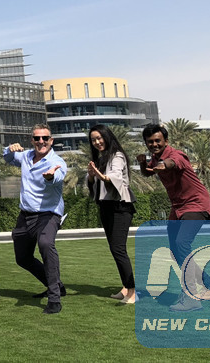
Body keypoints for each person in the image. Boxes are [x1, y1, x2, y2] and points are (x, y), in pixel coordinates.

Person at [137, 123, 210, 312]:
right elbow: (148, 172)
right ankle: (206, 281)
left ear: (166, 141)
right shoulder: (155, 158)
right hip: (178, 208)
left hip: (195, 204)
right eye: (150, 142)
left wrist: (161, 166)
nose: (154, 144)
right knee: (175, 250)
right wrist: (143, 163)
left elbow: (171, 163)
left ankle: (192, 299)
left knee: (182, 243)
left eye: (157, 140)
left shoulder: (177, 155)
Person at [3, 123, 67, 315]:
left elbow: (58, 176)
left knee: (46, 244)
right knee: (22, 258)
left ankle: (54, 298)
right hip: (26, 215)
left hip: (49, 214)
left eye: (45, 138)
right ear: (32, 140)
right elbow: (7, 158)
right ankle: (56, 285)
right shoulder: (26, 156)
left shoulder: (56, 161)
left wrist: (50, 177)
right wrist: (9, 149)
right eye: (37, 138)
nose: (41, 141)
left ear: (51, 140)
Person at [87, 124, 136, 304]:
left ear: (107, 137)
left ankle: (133, 291)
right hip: (106, 206)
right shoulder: (101, 158)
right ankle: (125, 288)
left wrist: (100, 175)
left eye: (99, 138)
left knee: (118, 249)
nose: (97, 142)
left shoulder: (117, 156)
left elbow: (115, 176)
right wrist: (91, 176)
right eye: (93, 140)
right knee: (115, 249)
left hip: (120, 206)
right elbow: (94, 183)